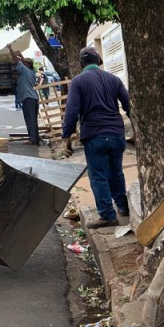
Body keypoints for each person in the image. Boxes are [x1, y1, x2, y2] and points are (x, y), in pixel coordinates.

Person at [62, 46, 131, 228]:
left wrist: (66, 138)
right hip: (116, 134)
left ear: (81, 63)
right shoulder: (114, 79)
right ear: (99, 60)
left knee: (98, 176)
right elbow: (128, 104)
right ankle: (123, 207)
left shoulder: (78, 82)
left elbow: (72, 112)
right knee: (116, 172)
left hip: (95, 135)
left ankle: (108, 215)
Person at [8, 46, 40, 145]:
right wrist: (21, 54)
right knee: (33, 120)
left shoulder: (25, 70)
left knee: (30, 120)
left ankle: (33, 140)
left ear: (27, 64)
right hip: (33, 98)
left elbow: (16, 60)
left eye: (24, 62)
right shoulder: (32, 72)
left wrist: (10, 49)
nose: (22, 62)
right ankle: (35, 138)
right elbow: (23, 61)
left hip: (28, 98)